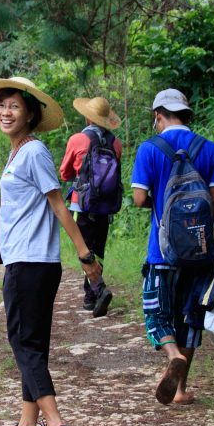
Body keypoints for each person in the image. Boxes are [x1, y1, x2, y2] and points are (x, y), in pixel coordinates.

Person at [0, 76, 102, 426]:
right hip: (20, 259)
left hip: (33, 263)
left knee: (23, 343)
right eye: (0, 105)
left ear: (30, 113)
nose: (5, 112)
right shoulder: (16, 154)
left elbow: (58, 204)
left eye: (14, 105)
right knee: (31, 345)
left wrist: (85, 255)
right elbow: (11, 212)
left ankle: (55, 425)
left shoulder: (34, 152)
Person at [131, 89, 214, 405]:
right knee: (191, 316)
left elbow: (139, 198)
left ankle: (173, 355)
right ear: (186, 114)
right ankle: (182, 390)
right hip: (202, 250)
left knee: (157, 311)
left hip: (162, 250)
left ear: (159, 115)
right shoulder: (210, 149)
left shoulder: (149, 149)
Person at [60, 96, 123, 317]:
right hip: (106, 206)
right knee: (99, 250)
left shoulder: (77, 140)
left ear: (88, 117)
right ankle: (92, 295)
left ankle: (97, 290)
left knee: (84, 250)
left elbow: (65, 173)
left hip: (82, 205)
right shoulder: (116, 143)